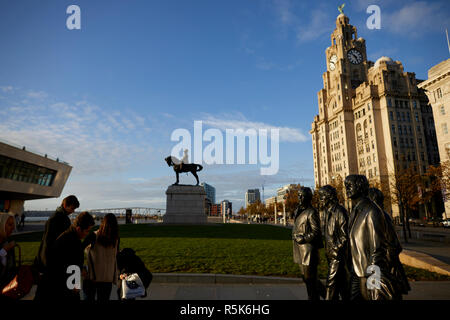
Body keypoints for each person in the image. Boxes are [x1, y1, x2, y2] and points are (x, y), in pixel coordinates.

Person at [344, 175, 395, 300]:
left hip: (367, 271)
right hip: (355, 270)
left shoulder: (372, 211)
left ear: (361, 187)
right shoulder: (355, 212)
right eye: (346, 186)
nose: (347, 188)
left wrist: (372, 277)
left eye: (350, 185)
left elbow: (377, 247)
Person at [36, 211, 95, 301]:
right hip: (63, 288)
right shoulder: (72, 241)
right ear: (79, 229)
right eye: (87, 230)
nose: (87, 233)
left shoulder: (68, 236)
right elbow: (71, 265)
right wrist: (75, 285)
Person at [368, 187, 410, 299]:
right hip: (381, 266)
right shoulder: (379, 215)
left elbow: (394, 244)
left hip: (385, 267)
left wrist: (385, 263)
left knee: (388, 294)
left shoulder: (381, 216)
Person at [292, 187, 325, 300]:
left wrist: (304, 238)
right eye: (299, 195)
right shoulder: (298, 210)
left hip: (308, 251)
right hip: (299, 250)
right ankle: (327, 295)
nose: (299, 198)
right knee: (307, 278)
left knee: (310, 279)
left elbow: (316, 232)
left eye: (302, 196)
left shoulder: (311, 212)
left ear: (308, 198)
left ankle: (314, 297)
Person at [318, 185, 350, 300]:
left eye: (322, 197)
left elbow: (345, 236)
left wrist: (335, 249)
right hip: (331, 256)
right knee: (342, 286)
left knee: (330, 286)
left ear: (329, 197)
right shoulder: (327, 212)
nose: (320, 200)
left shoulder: (340, 212)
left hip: (337, 257)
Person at [84, 213, 120, 301]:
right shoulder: (116, 239)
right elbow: (116, 255)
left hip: (93, 276)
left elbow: (80, 249)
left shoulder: (93, 236)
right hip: (108, 277)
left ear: (103, 223)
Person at [0, 213, 17, 292]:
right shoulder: (8, 245)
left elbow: (12, 269)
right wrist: (3, 251)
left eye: (13, 225)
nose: (13, 228)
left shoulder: (8, 243)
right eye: (10, 224)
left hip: (8, 288)